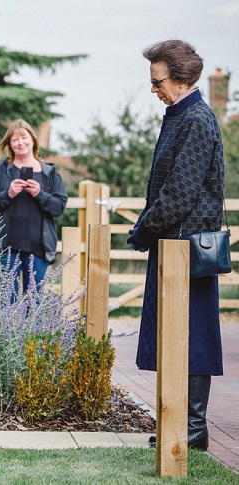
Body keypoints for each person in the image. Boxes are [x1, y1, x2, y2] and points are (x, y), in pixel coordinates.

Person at [127, 40, 224, 452]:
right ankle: (180, 421)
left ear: (180, 78)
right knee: (174, 336)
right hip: (173, 248)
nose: (154, 89)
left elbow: (180, 193)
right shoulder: (180, 116)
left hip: (188, 250)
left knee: (194, 337)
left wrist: (142, 230)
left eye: (157, 81)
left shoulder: (197, 119)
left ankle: (194, 429)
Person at [0, 119, 68, 293]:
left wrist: (39, 194)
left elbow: (59, 207)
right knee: (8, 300)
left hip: (39, 247)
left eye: (24, 138)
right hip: (5, 247)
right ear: (9, 145)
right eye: (15, 140)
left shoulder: (49, 174)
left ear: (33, 141)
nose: (20, 143)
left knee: (33, 301)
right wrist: (8, 193)